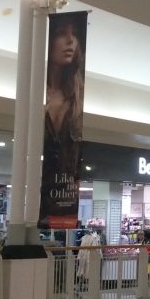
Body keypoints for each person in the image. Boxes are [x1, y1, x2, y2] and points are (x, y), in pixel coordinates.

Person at [39, 13, 86, 225]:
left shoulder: (76, 97)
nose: (70, 41)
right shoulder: (38, 96)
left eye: (74, 34)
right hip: (40, 204)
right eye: (61, 34)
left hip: (65, 205)